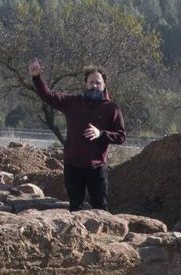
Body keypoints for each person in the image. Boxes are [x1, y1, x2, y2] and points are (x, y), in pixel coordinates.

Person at [27, 58, 124, 211]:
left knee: (101, 208)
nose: (94, 85)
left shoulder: (111, 108)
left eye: (98, 82)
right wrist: (37, 77)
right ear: (85, 84)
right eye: (91, 82)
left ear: (104, 85)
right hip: (73, 166)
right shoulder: (73, 102)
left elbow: (121, 136)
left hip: (97, 168)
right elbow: (48, 96)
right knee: (75, 208)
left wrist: (101, 134)